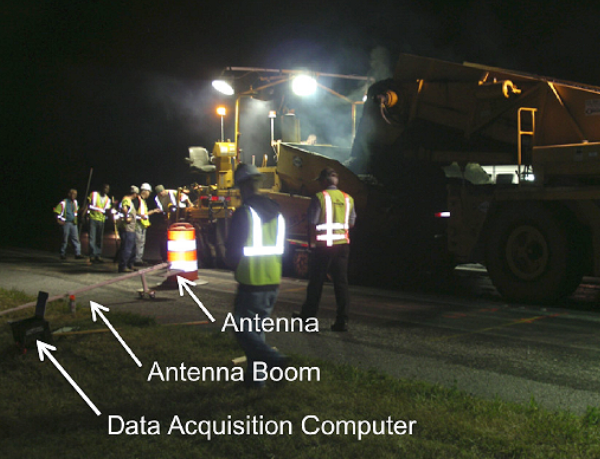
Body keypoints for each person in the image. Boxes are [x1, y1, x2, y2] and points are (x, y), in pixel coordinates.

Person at [225, 164, 288, 388]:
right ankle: (255, 380)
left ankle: (274, 360)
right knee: (257, 330)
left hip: (251, 280)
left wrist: (232, 264)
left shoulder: (245, 212)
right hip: (273, 280)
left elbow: (233, 250)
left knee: (242, 330)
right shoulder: (277, 210)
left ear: (242, 185)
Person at [293, 167, 356, 331]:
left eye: (320, 181)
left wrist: (311, 245)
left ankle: (308, 318)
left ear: (325, 181)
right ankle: (342, 321)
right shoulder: (348, 198)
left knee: (316, 283)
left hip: (323, 247)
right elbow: (351, 222)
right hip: (342, 246)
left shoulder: (319, 197)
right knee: (341, 283)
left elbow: (312, 223)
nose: (319, 184)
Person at [154, 185, 191, 262]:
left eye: (162, 192)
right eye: (159, 193)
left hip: (179, 211)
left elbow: (185, 197)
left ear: (164, 190)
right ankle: (166, 257)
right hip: (168, 214)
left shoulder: (172, 192)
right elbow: (161, 209)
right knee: (165, 236)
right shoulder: (157, 198)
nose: (161, 194)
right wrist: (166, 218)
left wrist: (190, 205)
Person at [133, 183, 159, 266]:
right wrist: (141, 217)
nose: (149, 194)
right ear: (145, 191)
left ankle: (138, 259)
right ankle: (136, 259)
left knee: (141, 242)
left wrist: (154, 211)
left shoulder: (143, 201)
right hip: (138, 223)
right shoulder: (138, 200)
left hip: (143, 224)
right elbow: (134, 213)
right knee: (138, 242)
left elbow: (145, 213)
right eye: (149, 192)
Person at [53, 188, 83, 260]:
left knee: (76, 239)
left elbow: (76, 211)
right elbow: (56, 211)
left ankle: (77, 253)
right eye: (73, 194)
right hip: (66, 223)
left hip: (73, 223)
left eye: (75, 194)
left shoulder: (75, 202)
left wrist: (83, 210)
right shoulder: (64, 203)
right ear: (69, 194)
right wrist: (58, 221)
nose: (74, 196)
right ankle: (62, 253)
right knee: (64, 239)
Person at [87, 184, 112, 263]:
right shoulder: (94, 194)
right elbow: (88, 205)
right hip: (93, 218)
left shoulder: (108, 199)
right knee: (92, 238)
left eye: (108, 189)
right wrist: (86, 215)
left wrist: (112, 208)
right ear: (102, 188)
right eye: (105, 188)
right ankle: (92, 255)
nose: (106, 190)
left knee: (99, 239)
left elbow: (107, 211)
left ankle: (98, 255)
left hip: (101, 220)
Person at [117, 186, 138, 273]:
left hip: (130, 228)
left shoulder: (128, 201)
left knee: (131, 247)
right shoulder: (126, 200)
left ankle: (129, 264)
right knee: (127, 247)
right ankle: (123, 266)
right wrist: (127, 217)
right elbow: (125, 208)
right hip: (127, 228)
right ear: (134, 194)